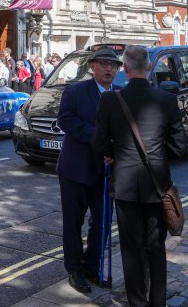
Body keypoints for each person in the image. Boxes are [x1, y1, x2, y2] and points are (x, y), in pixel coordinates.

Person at [92, 45, 186, 307]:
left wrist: (116, 153)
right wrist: (156, 153)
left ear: (125, 68)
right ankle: (158, 302)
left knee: (131, 250)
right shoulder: (167, 100)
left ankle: (136, 302)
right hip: (157, 185)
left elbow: (98, 144)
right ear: (148, 67)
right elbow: (178, 147)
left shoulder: (111, 100)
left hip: (125, 185)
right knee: (156, 248)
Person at [56, 46, 122, 293]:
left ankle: (90, 264)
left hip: (105, 171)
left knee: (103, 222)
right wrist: (100, 139)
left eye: (113, 65)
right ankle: (74, 268)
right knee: (73, 222)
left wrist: (115, 150)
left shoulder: (120, 94)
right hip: (75, 169)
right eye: (103, 64)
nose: (108, 69)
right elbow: (66, 120)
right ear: (92, 66)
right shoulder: (75, 91)